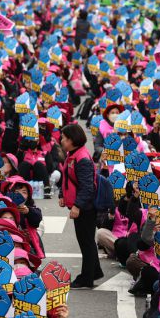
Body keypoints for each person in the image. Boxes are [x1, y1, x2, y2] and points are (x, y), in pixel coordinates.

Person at [59, 123, 102, 289]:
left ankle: (86, 278)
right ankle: (94, 271)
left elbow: (87, 187)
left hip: (86, 208)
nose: (62, 140)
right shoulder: (73, 153)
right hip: (81, 206)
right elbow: (67, 177)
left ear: (72, 140)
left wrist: (77, 206)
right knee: (86, 241)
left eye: (64, 138)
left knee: (86, 243)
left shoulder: (82, 158)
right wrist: (63, 195)